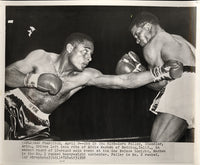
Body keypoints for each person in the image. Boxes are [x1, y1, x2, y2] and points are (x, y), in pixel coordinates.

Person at [5, 32, 183, 140]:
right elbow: (6, 74)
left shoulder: (85, 76)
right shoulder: (41, 57)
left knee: (51, 150)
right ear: (69, 48)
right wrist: (34, 80)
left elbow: (122, 82)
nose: (89, 58)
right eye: (85, 52)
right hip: (11, 105)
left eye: (91, 55)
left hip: (38, 122)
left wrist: (160, 72)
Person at [116, 11, 195, 142]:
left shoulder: (153, 43)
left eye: (137, 34)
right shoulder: (179, 38)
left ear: (147, 27)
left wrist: (137, 73)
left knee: (158, 147)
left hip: (184, 86)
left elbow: (161, 83)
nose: (137, 40)